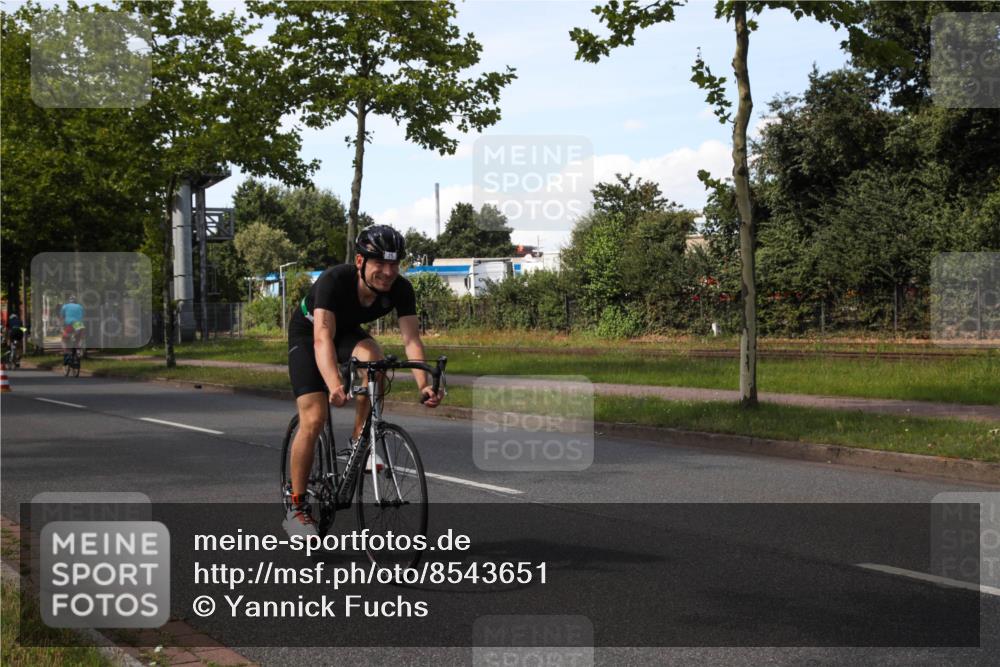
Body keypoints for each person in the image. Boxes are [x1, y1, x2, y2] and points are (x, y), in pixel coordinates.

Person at [284, 225, 443, 537]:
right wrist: (334, 384)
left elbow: (411, 340)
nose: (387, 273)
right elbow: (322, 339)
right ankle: (297, 507)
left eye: (394, 265)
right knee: (314, 418)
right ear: (360, 261)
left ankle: (361, 440)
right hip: (309, 334)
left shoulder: (401, 289)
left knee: (376, 360)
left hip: (346, 333)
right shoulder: (334, 280)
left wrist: (424, 385)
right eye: (379, 264)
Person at [59, 295, 85, 363]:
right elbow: (82, 316)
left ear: (69, 301)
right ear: (75, 301)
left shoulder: (65, 306)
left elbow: (61, 317)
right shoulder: (80, 306)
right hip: (79, 324)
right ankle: (78, 351)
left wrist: (61, 327)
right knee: (80, 338)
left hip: (69, 324)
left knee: (64, 339)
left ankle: (66, 354)